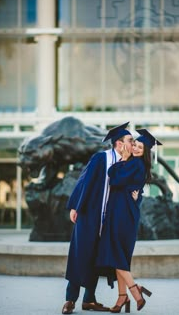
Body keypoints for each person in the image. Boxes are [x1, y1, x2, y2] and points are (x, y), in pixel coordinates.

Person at [62, 122, 135, 314]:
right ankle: (70, 300)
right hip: (89, 216)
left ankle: (89, 300)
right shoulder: (101, 158)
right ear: (119, 144)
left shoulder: (128, 164)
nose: (133, 143)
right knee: (80, 256)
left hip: (110, 222)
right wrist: (74, 206)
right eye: (130, 140)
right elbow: (83, 180)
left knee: (97, 259)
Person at [95, 128, 162, 313]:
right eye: (135, 144)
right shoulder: (133, 163)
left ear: (145, 152)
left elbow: (114, 180)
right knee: (120, 254)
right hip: (121, 211)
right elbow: (114, 175)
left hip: (122, 213)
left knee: (117, 253)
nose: (136, 148)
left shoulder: (136, 164)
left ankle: (134, 291)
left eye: (140, 147)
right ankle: (122, 296)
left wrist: (123, 160)